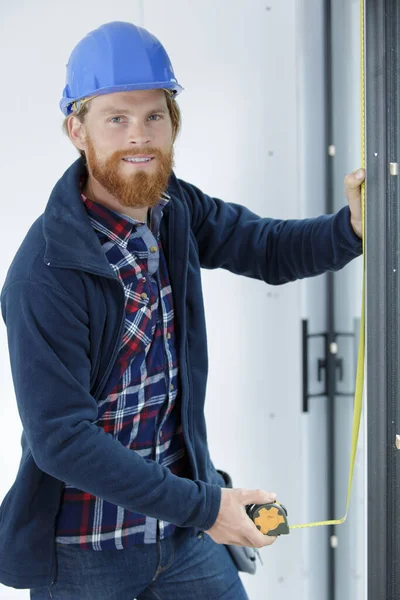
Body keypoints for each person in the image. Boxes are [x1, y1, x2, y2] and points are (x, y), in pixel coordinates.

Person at [0, 21, 364, 600]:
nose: (138, 137)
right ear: (76, 129)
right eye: (116, 118)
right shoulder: (46, 271)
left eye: (154, 117)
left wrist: (353, 227)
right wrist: (210, 507)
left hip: (183, 533)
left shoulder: (174, 209)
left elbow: (265, 247)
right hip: (86, 556)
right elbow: (63, 440)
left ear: (173, 124)